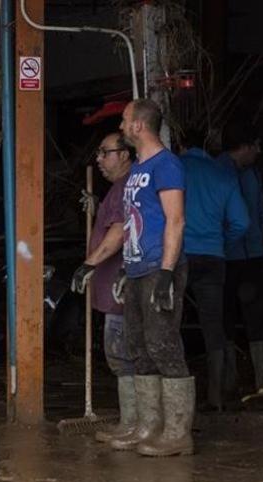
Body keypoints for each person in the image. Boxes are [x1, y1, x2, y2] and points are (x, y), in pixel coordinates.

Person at [104, 99, 193, 457]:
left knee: (164, 345)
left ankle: (177, 433)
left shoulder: (166, 165)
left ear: (139, 126)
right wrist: (126, 267)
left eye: (125, 120)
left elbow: (175, 220)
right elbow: (133, 223)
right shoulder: (139, 167)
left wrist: (167, 273)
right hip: (138, 267)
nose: (122, 126)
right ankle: (148, 426)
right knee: (138, 347)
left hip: (160, 267)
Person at [69, 132, 137, 444]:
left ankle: (133, 423)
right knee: (121, 355)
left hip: (119, 289)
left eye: (104, 152)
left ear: (125, 154)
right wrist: (96, 208)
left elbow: (119, 232)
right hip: (113, 290)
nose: (99, 159)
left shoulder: (127, 187)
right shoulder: (117, 190)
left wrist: (89, 264)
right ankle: (132, 420)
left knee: (123, 356)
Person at [178, 132, 249, 412]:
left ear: (182, 145)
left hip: (179, 255)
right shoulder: (223, 175)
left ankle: (178, 400)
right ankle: (215, 396)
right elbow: (242, 223)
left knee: (171, 322)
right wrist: (220, 241)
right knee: (213, 326)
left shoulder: (175, 169)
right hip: (213, 257)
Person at [215, 123, 263, 395]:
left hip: (253, 254)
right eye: (256, 145)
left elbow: (259, 215)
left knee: (257, 318)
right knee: (226, 320)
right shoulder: (215, 171)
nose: (259, 150)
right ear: (244, 146)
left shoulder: (253, 173)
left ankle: (261, 383)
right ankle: (229, 383)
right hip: (225, 256)